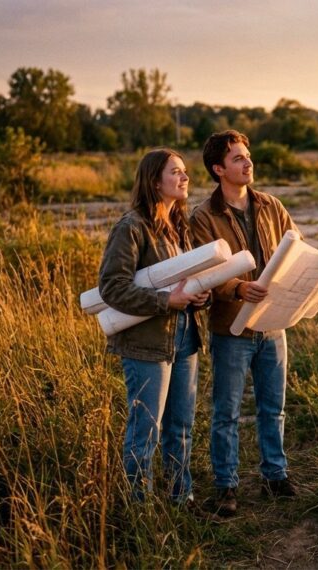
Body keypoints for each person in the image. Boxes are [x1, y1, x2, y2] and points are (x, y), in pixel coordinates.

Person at [190, 130, 318, 516]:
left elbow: (300, 251)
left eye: (248, 156)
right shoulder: (203, 217)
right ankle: (226, 487)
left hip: (275, 324)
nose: (248, 163)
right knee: (225, 411)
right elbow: (203, 274)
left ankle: (275, 475)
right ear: (218, 168)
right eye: (238, 158)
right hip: (232, 329)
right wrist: (237, 289)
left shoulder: (272, 206)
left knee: (273, 407)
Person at [98, 148, 210, 505]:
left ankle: (182, 498)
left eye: (185, 171)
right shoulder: (131, 227)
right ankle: (139, 509)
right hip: (146, 344)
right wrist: (165, 302)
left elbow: (186, 283)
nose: (184, 177)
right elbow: (112, 287)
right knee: (145, 430)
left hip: (185, 338)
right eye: (175, 171)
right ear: (154, 180)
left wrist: (199, 297)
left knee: (181, 428)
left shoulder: (181, 225)